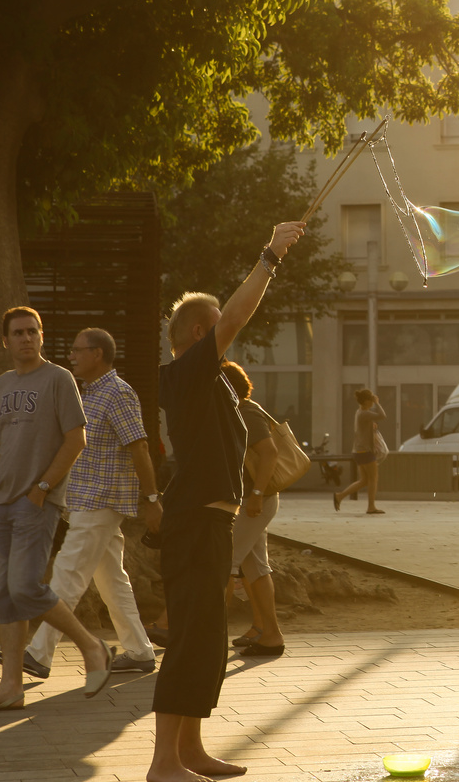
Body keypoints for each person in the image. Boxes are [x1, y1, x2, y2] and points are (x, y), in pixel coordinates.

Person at [151, 220, 304, 782]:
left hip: (213, 522)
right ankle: (164, 761)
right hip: (193, 521)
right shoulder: (185, 373)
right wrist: (270, 254)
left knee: (208, 641)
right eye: (216, 331)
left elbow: (232, 319)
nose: (228, 337)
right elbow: (237, 314)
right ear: (196, 333)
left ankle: (190, 751)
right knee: (191, 637)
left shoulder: (211, 380)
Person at [0, 307, 114, 712]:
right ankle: (11, 685)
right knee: (4, 594)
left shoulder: (59, 379)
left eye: (33, 331)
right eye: (18, 333)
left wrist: (44, 486)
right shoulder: (2, 383)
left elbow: (76, 439)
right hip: (0, 503)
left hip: (37, 501)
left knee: (25, 587)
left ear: (42, 337)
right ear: (6, 341)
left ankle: (92, 647)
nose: (26, 338)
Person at [19, 328, 161, 678]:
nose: (71, 356)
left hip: (102, 501)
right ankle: (140, 651)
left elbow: (139, 446)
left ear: (97, 354)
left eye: (77, 350)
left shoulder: (117, 393)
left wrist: (153, 498)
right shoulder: (87, 394)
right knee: (112, 581)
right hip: (85, 501)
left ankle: (38, 654)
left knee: (67, 575)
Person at [221, 361, 285, 657]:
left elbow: (269, 452)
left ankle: (209, 637)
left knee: (223, 563)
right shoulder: (236, 411)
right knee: (255, 566)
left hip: (253, 501)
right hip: (250, 500)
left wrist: (257, 494)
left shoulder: (246, 411)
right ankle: (269, 634)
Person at [333, 388, 384, 513]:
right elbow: (383, 415)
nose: (372, 401)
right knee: (373, 479)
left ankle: (340, 496)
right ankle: (371, 507)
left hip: (358, 450)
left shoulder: (359, 412)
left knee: (364, 480)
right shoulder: (365, 413)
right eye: (371, 399)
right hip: (365, 451)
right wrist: (377, 403)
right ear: (366, 401)